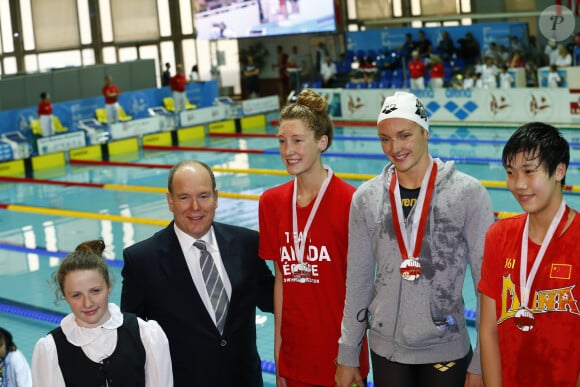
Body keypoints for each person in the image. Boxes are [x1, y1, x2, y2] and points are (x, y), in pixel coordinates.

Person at [335, 91, 494, 387]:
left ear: (425, 131)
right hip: (386, 351)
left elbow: (488, 286)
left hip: (446, 350)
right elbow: (357, 282)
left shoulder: (467, 195)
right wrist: (347, 353)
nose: (394, 147)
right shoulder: (366, 199)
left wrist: (483, 360)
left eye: (404, 135)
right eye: (385, 138)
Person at [121, 160, 275, 387]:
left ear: (216, 197)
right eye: (184, 197)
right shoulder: (142, 260)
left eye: (203, 196)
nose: (195, 207)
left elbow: (276, 300)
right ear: (170, 201)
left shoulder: (246, 244)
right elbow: (131, 337)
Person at [259, 89, 370, 387]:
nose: (288, 150)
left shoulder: (353, 202)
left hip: (341, 358)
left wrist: (351, 356)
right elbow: (281, 282)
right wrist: (279, 354)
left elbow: (362, 287)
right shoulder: (271, 203)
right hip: (295, 358)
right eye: (282, 141)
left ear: (322, 143)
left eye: (297, 140)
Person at [478, 122, 580, 387]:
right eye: (511, 173)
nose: (518, 184)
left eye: (529, 171)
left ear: (559, 171)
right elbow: (488, 331)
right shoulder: (498, 236)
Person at [31, 239, 173, 387]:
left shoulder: (145, 335)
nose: (88, 303)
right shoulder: (51, 350)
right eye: (76, 295)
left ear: (109, 287)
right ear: (65, 296)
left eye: (95, 291)